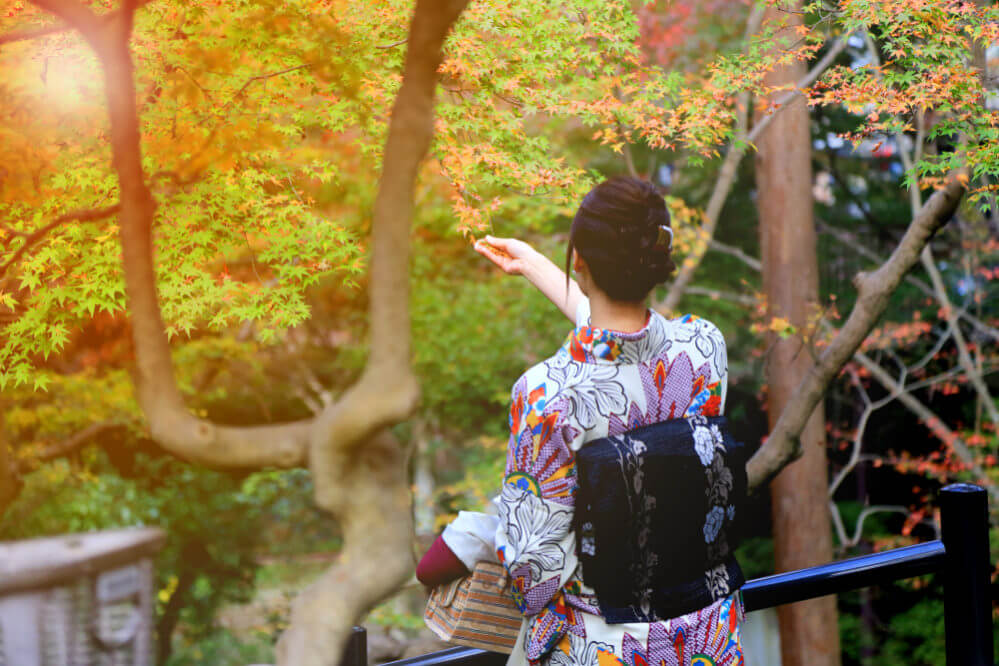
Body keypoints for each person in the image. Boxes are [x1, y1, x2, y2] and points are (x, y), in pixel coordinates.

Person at [417, 176, 745, 666]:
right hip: (706, 636)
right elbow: (629, 348)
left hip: (606, 647)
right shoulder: (703, 348)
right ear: (654, 261)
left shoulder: (547, 393)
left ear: (583, 263)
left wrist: (484, 534)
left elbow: (534, 569)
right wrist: (533, 265)